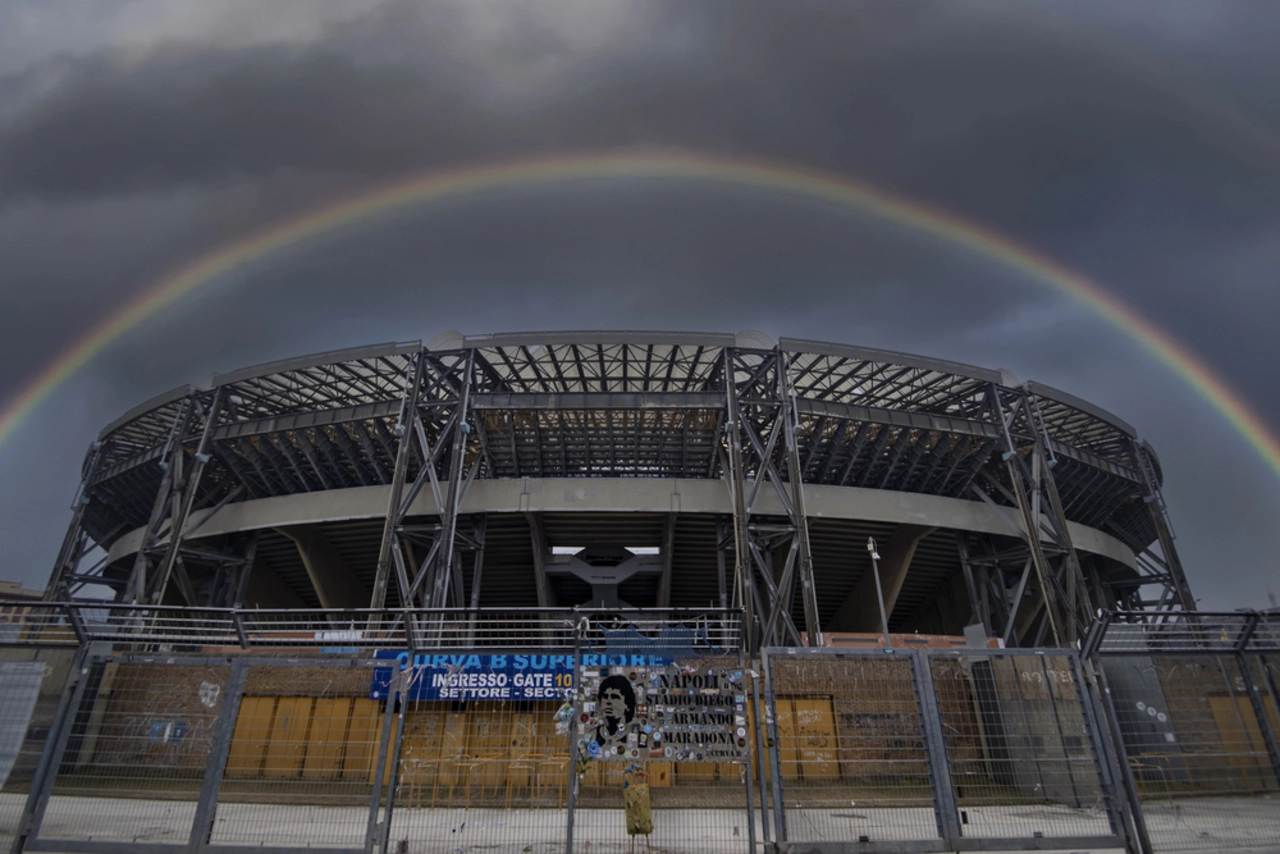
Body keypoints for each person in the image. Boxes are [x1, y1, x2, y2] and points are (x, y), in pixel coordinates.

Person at [592, 674, 636, 749]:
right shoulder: (592, 735)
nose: (608, 702)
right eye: (605, 697)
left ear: (627, 704)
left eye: (615, 697)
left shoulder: (633, 734)